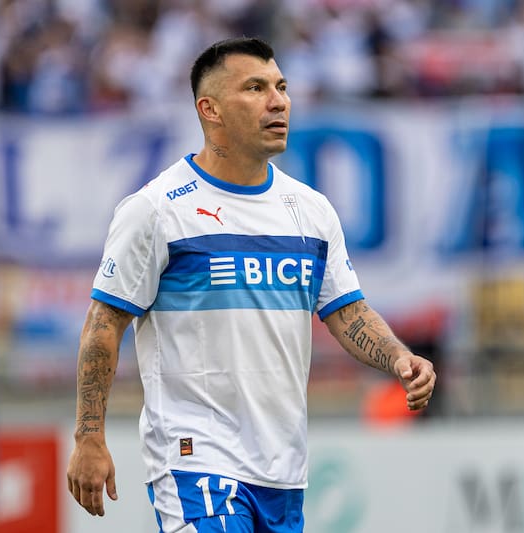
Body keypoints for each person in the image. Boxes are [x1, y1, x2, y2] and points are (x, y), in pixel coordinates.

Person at [66, 36, 436, 532]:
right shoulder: (158, 210)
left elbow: (346, 311)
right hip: (195, 460)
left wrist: (396, 356)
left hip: (283, 468)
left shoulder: (309, 210)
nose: (278, 100)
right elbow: (104, 322)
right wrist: (89, 437)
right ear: (210, 108)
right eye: (256, 88)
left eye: (281, 86)